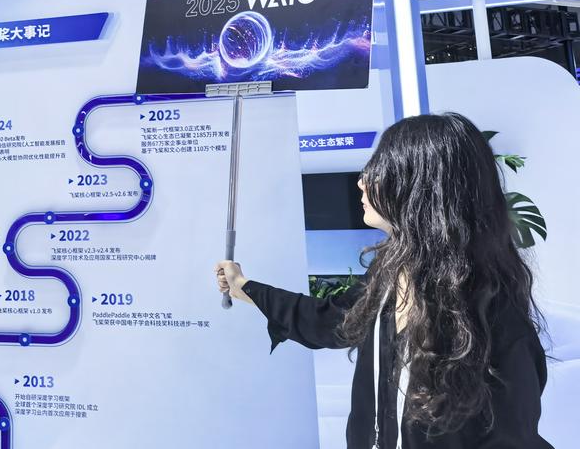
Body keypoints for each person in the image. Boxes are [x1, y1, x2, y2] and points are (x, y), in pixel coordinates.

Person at [216, 113, 552, 448]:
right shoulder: (390, 272)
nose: (362, 182)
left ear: (418, 187)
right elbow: (334, 321)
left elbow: (512, 437)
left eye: (378, 171)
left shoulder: (495, 317)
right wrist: (245, 287)